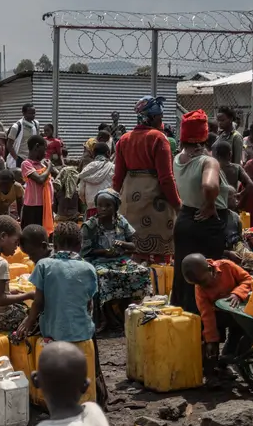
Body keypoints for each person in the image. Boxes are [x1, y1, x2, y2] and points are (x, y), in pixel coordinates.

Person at [171, 110, 229, 314]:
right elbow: (210, 185)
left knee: (184, 272)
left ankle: (182, 319)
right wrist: (210, 204)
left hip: (185, 219)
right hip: (206, 222)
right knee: (207, 274)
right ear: (205, 136)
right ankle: (206, 324)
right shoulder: (207, 161)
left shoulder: (178, 158)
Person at [112, 96, 180, 261]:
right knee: (159, 256)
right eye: (160, 117)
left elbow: (117, 178)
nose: (161, 121)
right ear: (154, 117)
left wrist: (113, 203)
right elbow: (166, 178)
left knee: (134, 253)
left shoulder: (124, 140)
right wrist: (178, 204)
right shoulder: (159, 138)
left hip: (130, 202)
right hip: (154, 202)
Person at [80, 188, 151, 329]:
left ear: (115, 207)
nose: (103, 209)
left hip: (120, 260)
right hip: (98, 261)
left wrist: (123, 244)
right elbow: (85, 251)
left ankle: (130, 309)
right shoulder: (90, 225)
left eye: (108, 206)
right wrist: (105, 252)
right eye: (100, 205)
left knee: (141, 271)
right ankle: (109, 317)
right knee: (104, 276)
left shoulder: (121, 221)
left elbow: (132, 245)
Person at [181, 253, 253, 365]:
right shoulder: (200, 288)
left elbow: (248, 279)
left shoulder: (227, 266)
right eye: (197, 284)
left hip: (240, 310)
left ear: (210, 269)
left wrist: (237, 294)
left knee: (239, 332)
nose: (202, 285)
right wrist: (211, 340)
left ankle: (232, 355)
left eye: (203, 281)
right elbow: (207, 314)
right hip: (220, 314)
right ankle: (215, 365)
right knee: (208, 335)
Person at [21, 136, 54, 234]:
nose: (45, 152)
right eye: (44, 148)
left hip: (44, 206)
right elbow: (40, 179)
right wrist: (49, 168)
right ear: (36, 147)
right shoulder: (26, 164)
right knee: (31, 234)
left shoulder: (42, 165)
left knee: (42, 234)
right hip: (33, 207)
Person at [79, 142, 115, 219]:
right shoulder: (112, 168)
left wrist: (88, 203)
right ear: (108, 153)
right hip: (110, 209)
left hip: (91, 208)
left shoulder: (87, 169)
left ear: (93, 154)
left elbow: (81, 191)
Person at [6, 103, 41, 169]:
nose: (33, 115)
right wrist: (17, 159)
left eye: (34, 113)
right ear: (24, 113)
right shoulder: (16, 126)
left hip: (32, 159)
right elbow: (9, 145)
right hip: (20, 158)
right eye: (30, 113)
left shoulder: (36, 124)